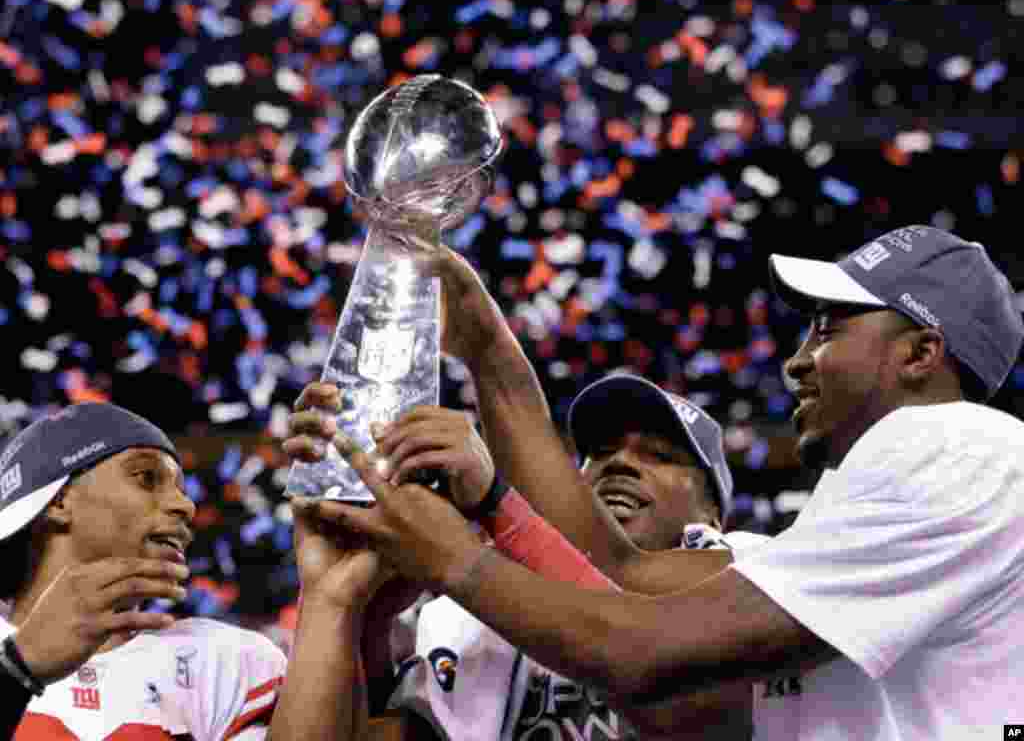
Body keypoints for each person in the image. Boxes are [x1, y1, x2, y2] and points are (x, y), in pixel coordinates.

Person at [314, 226, 1024, 740]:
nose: (799, 361)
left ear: (922, 352)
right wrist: (490, 366)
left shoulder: (954, 444)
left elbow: (640, 652)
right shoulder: (876, 519)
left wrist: (453, 555)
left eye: (828, 328)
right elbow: (623, 584)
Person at [284, 371, 762, 740]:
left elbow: (636, 630)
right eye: (600, 451)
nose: (620, 462)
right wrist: (361, 608)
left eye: (658, 455)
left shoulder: (756, 570)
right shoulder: (472, 614)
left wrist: (490, 507)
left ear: (715, 516)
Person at [0, 401, 288, 740]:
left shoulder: (223, 662)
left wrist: (329, 601)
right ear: (59, 501)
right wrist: (16, 671)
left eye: (181, 488)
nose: (185, 505)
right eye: (146, 478)